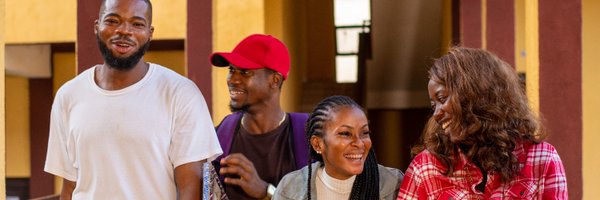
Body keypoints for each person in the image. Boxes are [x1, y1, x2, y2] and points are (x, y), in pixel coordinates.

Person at [44, 0, 222, 199]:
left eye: (137, 24)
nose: (124, 31)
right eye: (113, 21)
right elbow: (70, 187)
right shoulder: (68, 95)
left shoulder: (180, 93)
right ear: (97, 27)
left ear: (150, 33)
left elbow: (190, 186)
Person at [397, 47, 568, 199]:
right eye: (433, 105)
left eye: (442, 99)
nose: (436, 114)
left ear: (474, 95)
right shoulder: (425, 168)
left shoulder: (542, 159)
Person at [209, 34, 310, 199]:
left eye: (244, 72)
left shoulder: (308, 137)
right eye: (232, 70)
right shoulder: (220, 137)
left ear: (275, 80)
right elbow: (204, 193)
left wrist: (266, 192)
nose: (232, 79)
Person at [274, 95, 404, 200]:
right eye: (345, 134)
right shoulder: (290, 188)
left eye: (364, 133)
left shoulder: (393, 184)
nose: (359, 143)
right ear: (317, 144)